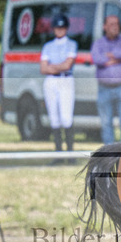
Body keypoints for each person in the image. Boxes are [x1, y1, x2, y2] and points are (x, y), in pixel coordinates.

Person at [90, 14, 121, 145]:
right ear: (104, 26)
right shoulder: (98, 43)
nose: (115, 27)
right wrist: (116, 59)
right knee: (106, 123)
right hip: (104, 89)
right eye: (111, 24)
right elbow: (97, 59)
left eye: (117, 24)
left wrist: (110, 56)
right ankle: (109, 157)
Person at [40, 14, 78, 152]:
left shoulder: (71, 44)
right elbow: (43, 68)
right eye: (57, 27)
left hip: (65, 79)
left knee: (66, 117)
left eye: (62, 28)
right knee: (54, 117)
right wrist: (57, 66)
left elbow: (67, 65)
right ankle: (58, 152)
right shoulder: (48, 46)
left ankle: (69, 151)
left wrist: (52, 66)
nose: (59, 30)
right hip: (51, 80)